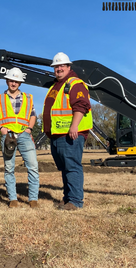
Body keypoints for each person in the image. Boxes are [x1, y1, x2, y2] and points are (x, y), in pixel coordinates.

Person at [42, 52, 92, 211]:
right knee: (65, 168)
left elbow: (81, 105)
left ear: (68, 67)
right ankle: (67, 198)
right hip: (57, 134)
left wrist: (74, 126)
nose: (59, 68)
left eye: (62, 65)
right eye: (56, 66)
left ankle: (76, 201)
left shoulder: (74, 83)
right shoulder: (55, 86)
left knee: (72, 167)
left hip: (70, 134)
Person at [0, 68, 39, 209]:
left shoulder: (28, 98)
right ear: (7, 81)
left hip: (24, 134)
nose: (13, 83)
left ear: (20, 82)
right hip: (7, 136)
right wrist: (1, 129)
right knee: (9, 168)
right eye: (11, 80)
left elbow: (33, 115)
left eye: (16, 81)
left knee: (33, 166)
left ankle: (33, 199)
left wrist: (29, 128)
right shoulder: (0, 98)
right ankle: (13, 199)